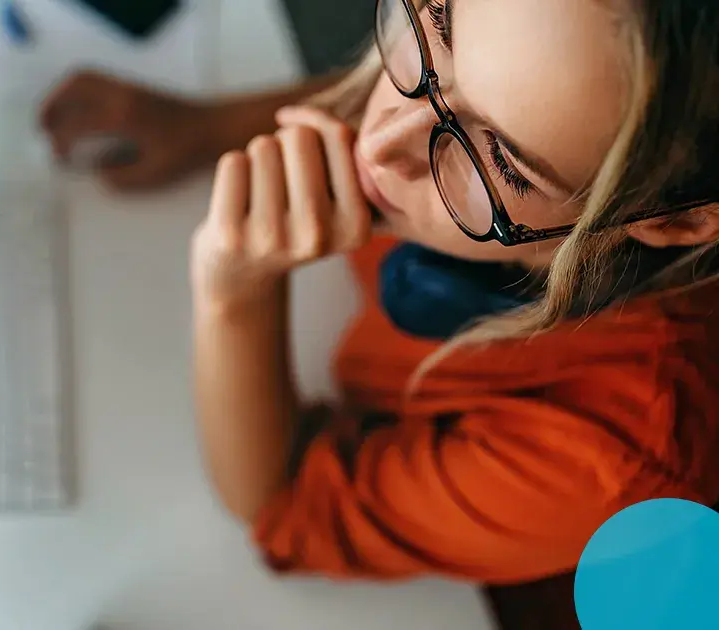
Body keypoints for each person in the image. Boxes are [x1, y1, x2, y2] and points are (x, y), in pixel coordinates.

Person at [40, 0, 719, 628]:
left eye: (504, 168)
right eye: (433, 26)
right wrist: (204, 126)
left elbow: (283, 501)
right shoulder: (452, 133)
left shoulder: (619, 458)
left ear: (679, 219)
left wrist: (236, 294)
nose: (378, 143)